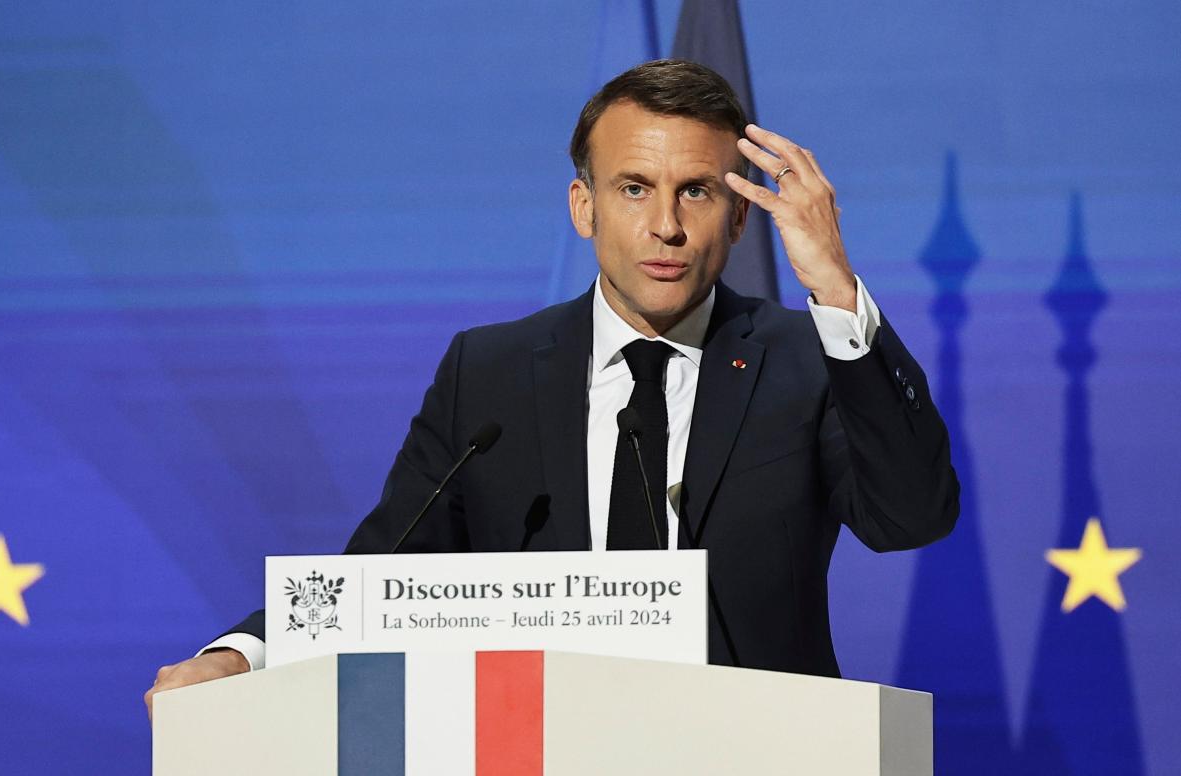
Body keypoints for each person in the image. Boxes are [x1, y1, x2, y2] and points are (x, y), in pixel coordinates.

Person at [145, 59, 958, 719]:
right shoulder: (489, 373)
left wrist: (838, 294)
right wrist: (237, 655)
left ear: (740, 218)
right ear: (583, 206)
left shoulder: (805, 356)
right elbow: (381, 573)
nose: (665, 226)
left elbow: (909, 517)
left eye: (696, 192)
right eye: (633, 188)